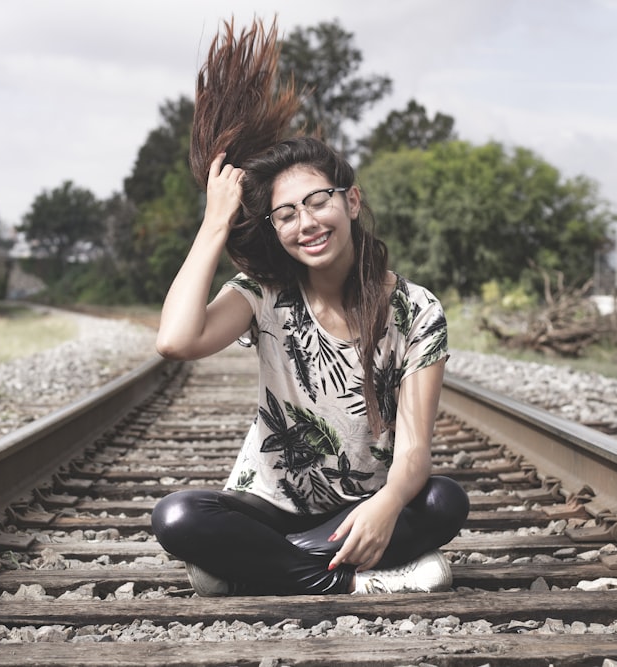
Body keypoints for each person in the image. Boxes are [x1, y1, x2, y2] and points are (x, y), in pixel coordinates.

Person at [150, 19, 469, 596]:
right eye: (287, 214)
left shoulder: (416, 311)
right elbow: (175, 340)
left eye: (318, 202)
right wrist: (215, 221)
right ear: (275, 229)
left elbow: (416, 449)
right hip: (267, 506)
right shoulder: (263, 296)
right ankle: (354, 583)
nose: (307, 223)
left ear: (351, 201)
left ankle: (256, 569)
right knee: (177, 517)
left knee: (444, 500)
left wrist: (388, 505)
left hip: (359, 510)